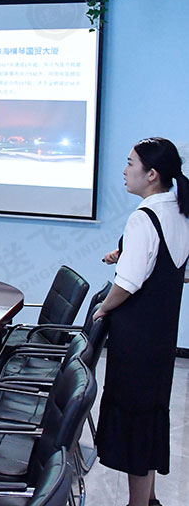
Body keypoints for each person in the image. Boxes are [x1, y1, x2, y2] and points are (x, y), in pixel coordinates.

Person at [93, 138, 189, 506]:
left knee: (133, 422)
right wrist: (126, 251)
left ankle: (137, 504)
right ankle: (147, 500)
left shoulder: (144, 217)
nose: (124, 170)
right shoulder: (178, 212)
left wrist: (104, 307)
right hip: (161, 337)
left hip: (135, 340)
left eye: (130, 163)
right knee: (148, 419)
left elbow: (128, 283)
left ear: (151, 174)